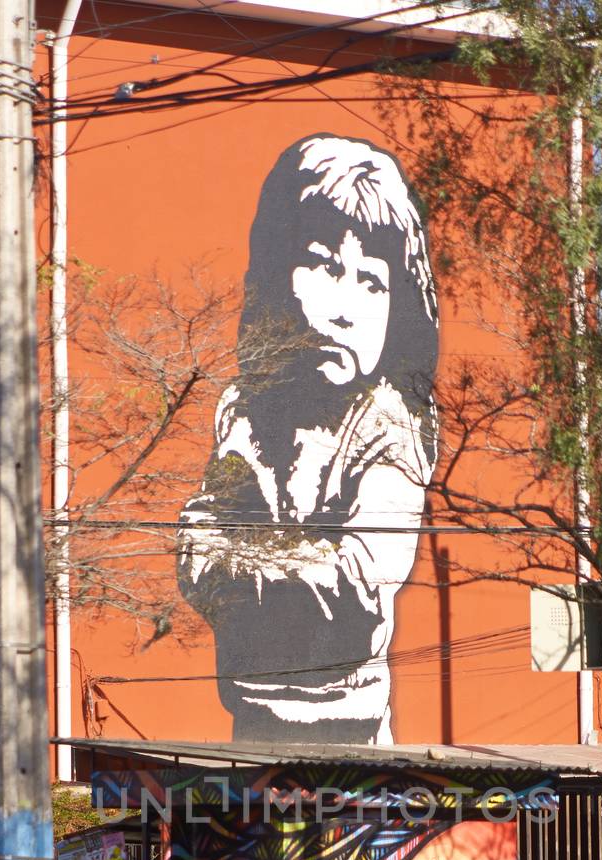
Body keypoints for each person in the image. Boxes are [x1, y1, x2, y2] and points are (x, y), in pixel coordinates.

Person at [178, 134, 439, 744]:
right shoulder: (245, 408)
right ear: (276, 273)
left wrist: (241, 566)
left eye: (372, 281)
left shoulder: (390, 424)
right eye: (323, 265)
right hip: (249, 727)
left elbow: (360, 577)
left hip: (352, 746)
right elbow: (197, 543)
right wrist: (257, 566)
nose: (346, 306)